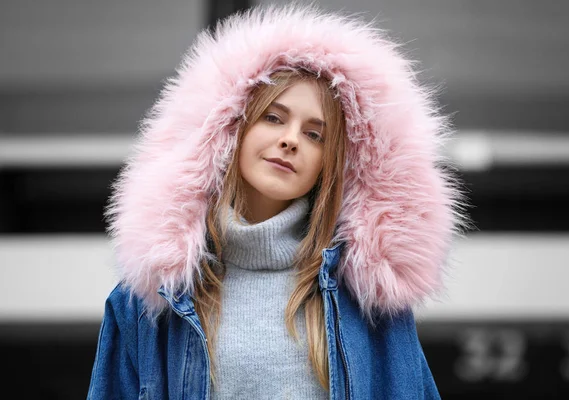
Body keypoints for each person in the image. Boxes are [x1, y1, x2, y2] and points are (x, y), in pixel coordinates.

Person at [87, 4, 464, 400]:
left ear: (330, 165)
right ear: (232, 129)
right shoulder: (152, 299)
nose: (291, 140)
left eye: (315, 135)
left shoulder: (368, 303)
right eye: (273, 117)